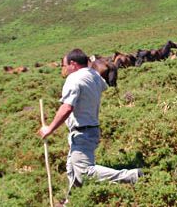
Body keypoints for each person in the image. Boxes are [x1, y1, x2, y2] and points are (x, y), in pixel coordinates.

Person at [38, 48, 142, 200]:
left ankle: (132, 176)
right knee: (72, 168)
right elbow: (104, 86)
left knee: (85, 171)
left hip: (82, 131)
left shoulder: (73, 79)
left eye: (64, 65)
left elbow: (67, 107)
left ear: (73, 64)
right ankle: (72, 200)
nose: (64, 69)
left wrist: (50, 129)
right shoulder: (94, 75)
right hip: (91, 128)